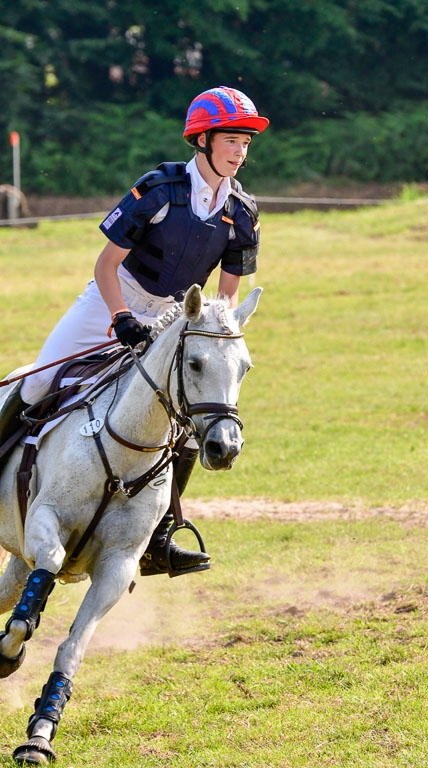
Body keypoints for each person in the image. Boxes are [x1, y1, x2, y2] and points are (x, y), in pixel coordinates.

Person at [0, 85, 269, 576]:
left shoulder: (243, 213)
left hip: (173, 316)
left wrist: (213, 334)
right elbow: (106, 265)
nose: (240, 151)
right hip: (112, 297)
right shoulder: (160, 189)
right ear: (203, 140)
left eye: (246, 143)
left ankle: (158, 537)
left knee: (188, 421)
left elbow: (227, 296)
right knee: (38, 381)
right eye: (231, 140)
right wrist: (121, 316)